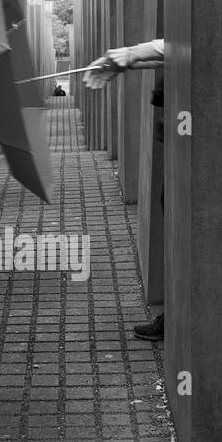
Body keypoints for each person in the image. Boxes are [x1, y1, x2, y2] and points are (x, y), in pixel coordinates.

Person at [84, 41, 166, 343]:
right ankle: (177, 314)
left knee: (183, 224)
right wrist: (128, 62)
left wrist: (132, 54)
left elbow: (190, 39)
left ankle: (181, 318)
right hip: (173, 120)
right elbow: (178, 47)